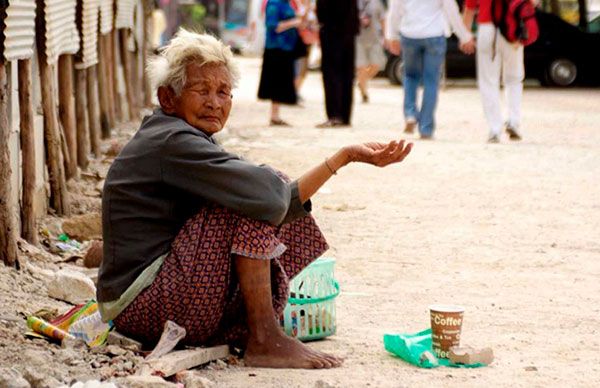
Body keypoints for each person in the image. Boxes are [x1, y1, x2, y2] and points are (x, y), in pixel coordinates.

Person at [96, 29, 413, 369]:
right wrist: (269, 186)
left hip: (151, 300)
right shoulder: (172, 141)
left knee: (258, 190)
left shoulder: (180, 135)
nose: (214, 102)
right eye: (201, 90)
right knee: (251, 196)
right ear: (168, 98)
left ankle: (259, 331)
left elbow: (282, 201)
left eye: (223, 92)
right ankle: (264, 337)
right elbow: (266, 198)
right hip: (143, 305)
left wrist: (344, 157)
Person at [385, 0, 475, 139]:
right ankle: (426, 128)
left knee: (410, 76)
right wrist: (464, 36)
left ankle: (410, 114)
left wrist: (392, 36)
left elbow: (394, 10)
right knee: (431, 81)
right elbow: (452, 11)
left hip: (409, 34)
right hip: (434, 34)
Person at [463, 0, 526, 143]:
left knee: (488, 81)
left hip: (487, 28)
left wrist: (465, 36)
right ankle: (513, 122)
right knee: (514, 78)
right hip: (513, 29)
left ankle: (494, 129)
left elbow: (469, 9)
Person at [257, 0, 304, 126]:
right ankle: (274, 115)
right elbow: (273, 26)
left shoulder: (288, 3)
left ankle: (276, 115)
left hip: (287, 47)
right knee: (276, 82)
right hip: (276, 48)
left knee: (282, 82)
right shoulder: (273, 4)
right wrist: (294, 22)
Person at [315, 0, 359, 128]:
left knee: (331, 74)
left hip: (331, 31)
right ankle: (345, 116)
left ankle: (334, 115)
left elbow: (322, 10)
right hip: (349, 32)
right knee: (347, 74)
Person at [356, 0, 387, 104]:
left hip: (374, 39)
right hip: (358, 39)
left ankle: (362, 81)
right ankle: (364, 93)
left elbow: (383, 19)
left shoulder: (377, 2)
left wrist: (385, 36)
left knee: (376, 65)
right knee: (361, 67)